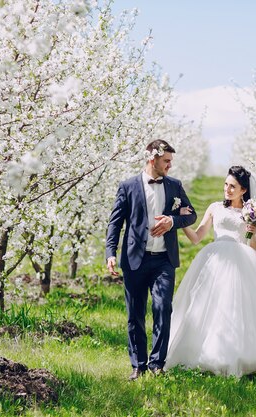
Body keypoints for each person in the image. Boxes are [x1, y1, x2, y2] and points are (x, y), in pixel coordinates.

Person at [165, 166, 256, 377]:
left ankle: (239, 354)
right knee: (206, 305)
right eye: (226, 185)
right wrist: (179, 221)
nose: (227, 190)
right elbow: (196, 238)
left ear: (243, 190)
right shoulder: (215, 207)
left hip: (240, 260)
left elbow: (252, 248)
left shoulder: (249, 212)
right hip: (214, 258)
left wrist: (250, 233)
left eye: (233, 186)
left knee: (236, 308)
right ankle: (203, 352)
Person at [106, 140, 197, 381]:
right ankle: (138, 365)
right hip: (135, 259)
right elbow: (115, 223)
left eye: (170, 161)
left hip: (164, 261)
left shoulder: (175, 185)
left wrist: (172, 221)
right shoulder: (128, 186)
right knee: (135, 314)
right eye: (166, 161)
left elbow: (191, 215)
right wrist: (110, 253)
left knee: (162, 308)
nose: (169, 165)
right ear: (152, 159)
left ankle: (157, 364)